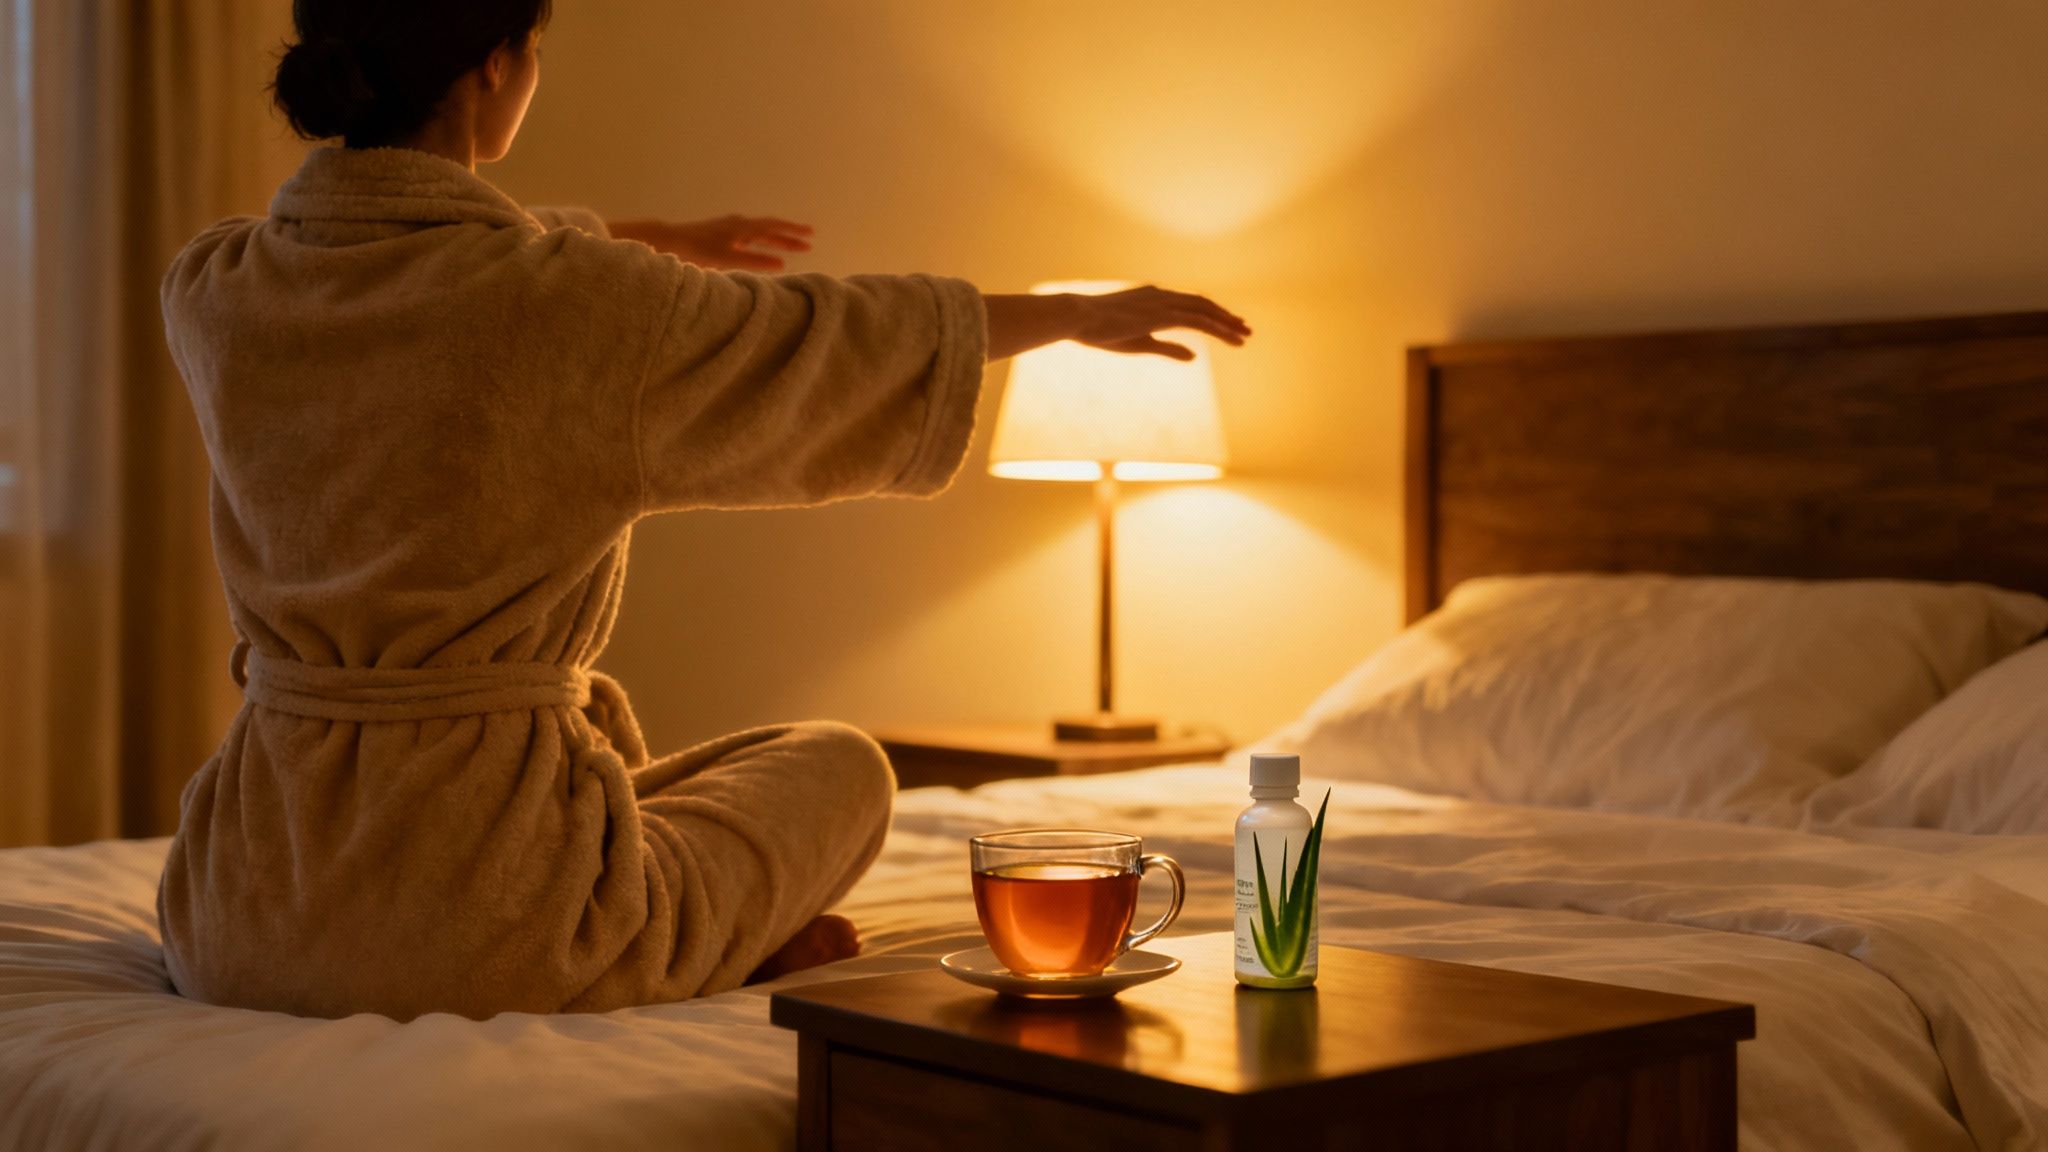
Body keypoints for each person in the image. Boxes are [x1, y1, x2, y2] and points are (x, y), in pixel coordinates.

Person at [157, 0, 1252, 1021]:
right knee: (842, 767)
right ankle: (703, 945)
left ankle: (709, 929)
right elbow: (822, 339)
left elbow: (416, 271)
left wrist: (647, 239)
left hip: (241, 907)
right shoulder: (580, 312)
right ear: (496, 64)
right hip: (486, 924)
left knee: (642, 766)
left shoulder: (214, 286)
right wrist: (1061, 315)